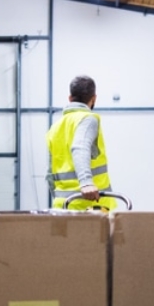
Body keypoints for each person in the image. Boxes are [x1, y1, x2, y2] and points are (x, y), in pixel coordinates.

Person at [47, 75, 118, 210]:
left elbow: (50, 172)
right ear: (94, 98)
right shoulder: (88, 119)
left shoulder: (55, 127)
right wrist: (86, 183)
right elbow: (80, 147)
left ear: (70, 98)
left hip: (63, 205)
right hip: (90, 205)